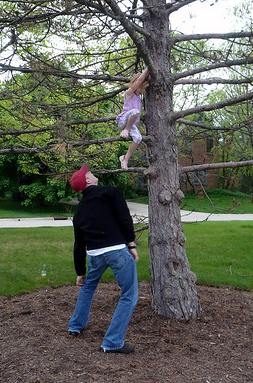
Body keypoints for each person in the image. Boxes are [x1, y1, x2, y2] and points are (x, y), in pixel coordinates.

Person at [68, 164, 139, 354]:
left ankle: (75, 326)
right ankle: (113, 342)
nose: (90, 173)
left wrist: (80, 272)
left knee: (88, 286)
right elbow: (124, 218)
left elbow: (78, 245)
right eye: (88, 173)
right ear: (88, 181)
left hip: (94, 256)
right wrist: (131, 245)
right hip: (116, 251)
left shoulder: (79, 211)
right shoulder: (110, 192)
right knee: (129, 294)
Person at [116, 68, 149, 170]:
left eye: (144, 90)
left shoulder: (138, 98)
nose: (142, 92)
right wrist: (147, 69)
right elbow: (139, 81)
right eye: (141, 89)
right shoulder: (129, 92)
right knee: (135, 111)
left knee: (138, 138)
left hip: (132, 125)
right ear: (136, 85)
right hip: (123, 121)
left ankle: (125, 158)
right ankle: (125, 130)